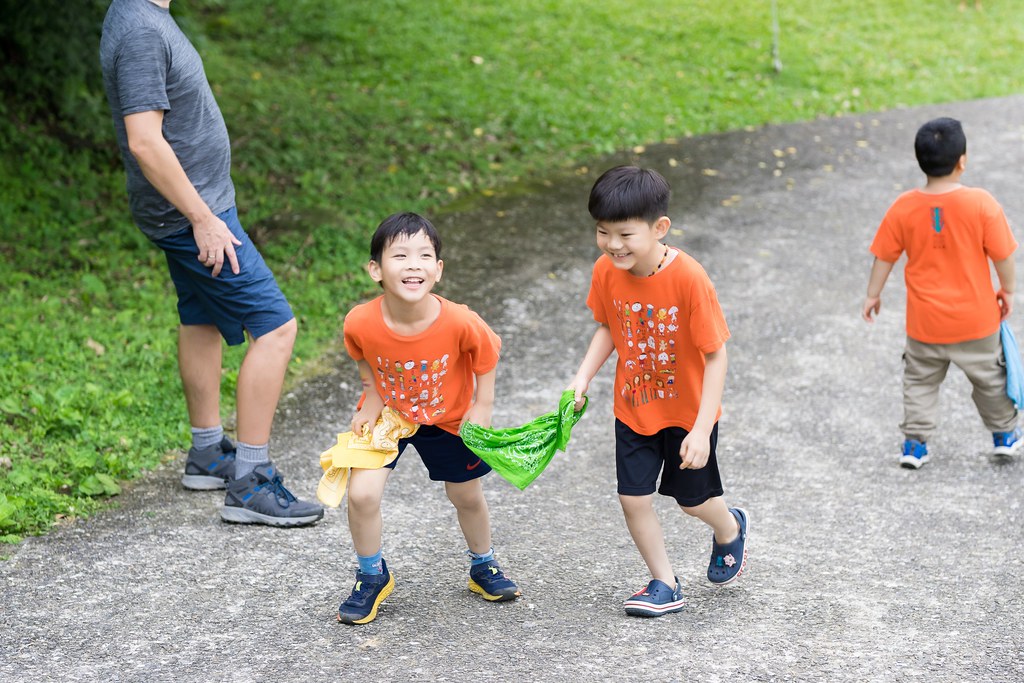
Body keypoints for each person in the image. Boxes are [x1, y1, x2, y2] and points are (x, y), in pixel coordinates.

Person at [100, 0, 323, 525]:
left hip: (192, 209)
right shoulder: (139, 29)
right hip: (192, 215)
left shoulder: (138, 15)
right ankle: (251, 481)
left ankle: (208, 453)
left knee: (198, 316)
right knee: (275, 327)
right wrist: (201, 218)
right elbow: (145, 141)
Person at [567, 166, 748, 618]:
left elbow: (715, 356)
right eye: (603, 232)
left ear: (659, 228)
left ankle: (729, 528)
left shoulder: (689, 278)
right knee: (632, 496)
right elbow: (608, 326)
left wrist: (703, 429)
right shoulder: (606, 271)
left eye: (625, 234)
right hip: (633, 408)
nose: (612, 245)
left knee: (693, 502)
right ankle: (664, 582)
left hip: (688, 413)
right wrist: (583, 376)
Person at [336, 212, 520, 625]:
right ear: (376, 270)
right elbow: (362, 355)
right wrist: (370, 396)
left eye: (424, 256)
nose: (413, 264)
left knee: (466, 496)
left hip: (449, 419)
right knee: (362, 494)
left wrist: (484, 405)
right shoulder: (360, 321)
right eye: (399, 255)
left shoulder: (459, 320)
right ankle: (371, 576)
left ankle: (483, 564)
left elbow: (487, 355)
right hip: (391, 417)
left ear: (437, 270)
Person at [863, 116, 1021, 468]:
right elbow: (1004, 255)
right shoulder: (981, 203)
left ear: (921, 161)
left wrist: (873, 294)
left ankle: (915, 445)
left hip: (925, 325)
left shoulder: (903, 206)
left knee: (919, 382)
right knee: (991, 381)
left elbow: (883, 256)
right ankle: (1004, 435)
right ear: (962, 161)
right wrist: (1007, 290)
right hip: (977, 323)